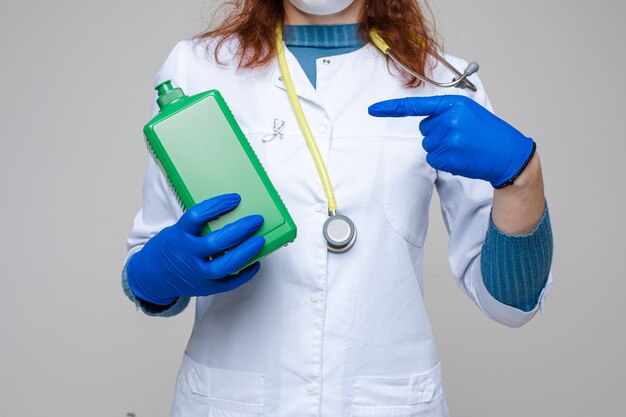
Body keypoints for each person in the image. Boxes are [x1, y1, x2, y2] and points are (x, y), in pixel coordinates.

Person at [122, 1, 554, 416]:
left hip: (385, 400)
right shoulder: (196, 68)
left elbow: (509, 302)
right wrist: (155, 275)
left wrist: (522, 177)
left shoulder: (443, 81)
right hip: (235, 399)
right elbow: (144, 260)